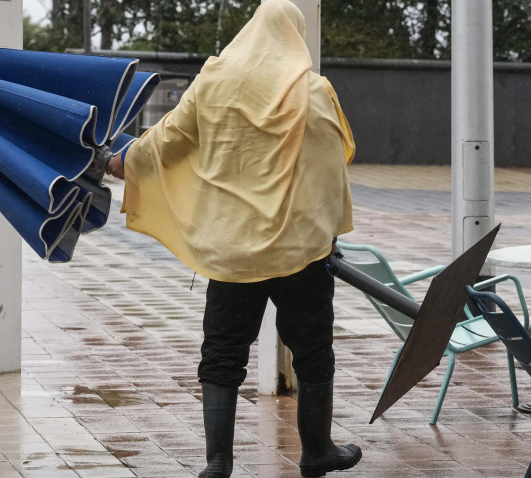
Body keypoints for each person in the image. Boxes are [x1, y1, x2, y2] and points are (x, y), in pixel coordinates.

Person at [106, 2, 358, 476]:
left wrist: (124, 161)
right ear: (294, 37)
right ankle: (317, 450)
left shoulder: (214, 80)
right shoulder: (312, 89)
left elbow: (168, 140)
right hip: (299, 250)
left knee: (222, 354)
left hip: (231, 251)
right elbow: (332, 164)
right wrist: (326, 232)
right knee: (312, 353)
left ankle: (218, 462)